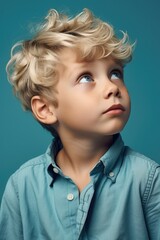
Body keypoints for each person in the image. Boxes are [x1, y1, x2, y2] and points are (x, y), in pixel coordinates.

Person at [0, 8, 160, 240]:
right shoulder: (21, 187)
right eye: (86, 77)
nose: (113, 87)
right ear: (46, 109)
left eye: (115, 73)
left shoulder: (148, 180)